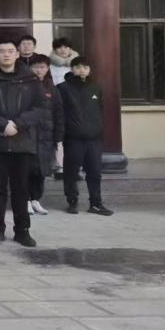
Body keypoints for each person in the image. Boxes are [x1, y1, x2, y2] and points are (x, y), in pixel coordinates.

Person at [0, 40, 47, 247]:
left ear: (17, 54)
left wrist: (18, 124)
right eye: (2, 51)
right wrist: (2, 124)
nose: (6, 54)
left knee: (21, 189)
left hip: (22, 142)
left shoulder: (31, 79)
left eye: (11, 51)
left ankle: (22, 231)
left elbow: (41, 107)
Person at [58, 56, 113, 216]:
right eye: (78, 67)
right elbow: (58, 113)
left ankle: (96, 203)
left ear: (89, 70)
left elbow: (100, 111)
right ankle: (72, 202)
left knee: (95, 172)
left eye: (85, 67)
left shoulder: (95, 88)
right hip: (73, 138)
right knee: (71, 172)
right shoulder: (62, 88)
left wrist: (99, 129)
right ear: (72, 69)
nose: (82, 70)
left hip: (94, 139)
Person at [27, 55, 64, 216]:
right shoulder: (24, 86)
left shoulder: (52, 88)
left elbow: (59, 113)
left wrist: (58, 135)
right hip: (28, 135)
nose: (39, 70)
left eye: (42, 67)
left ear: (47, 68)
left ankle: (36, 199)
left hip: (47, 136)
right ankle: (25, 200)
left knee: (42, 170)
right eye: (35, 67)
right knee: (27, 169)